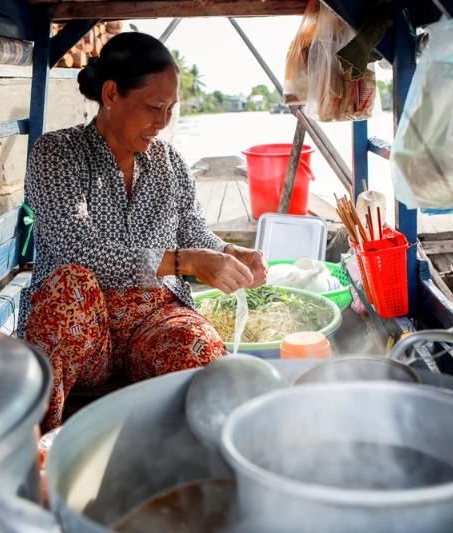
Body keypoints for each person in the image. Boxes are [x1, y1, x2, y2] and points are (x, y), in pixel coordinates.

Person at [17, 32, 266, 430]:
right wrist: (185, 262)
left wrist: (231, 255)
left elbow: (193, 232)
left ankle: (188, 464)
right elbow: (75, 249)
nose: (163, 122)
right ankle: (40, 452)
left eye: (171, 108)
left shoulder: (170, 164)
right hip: (83, 329)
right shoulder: (58, 153)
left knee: (200, 353)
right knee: (69, 285)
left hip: (154, 320)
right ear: (112, 93)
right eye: (154, 107)